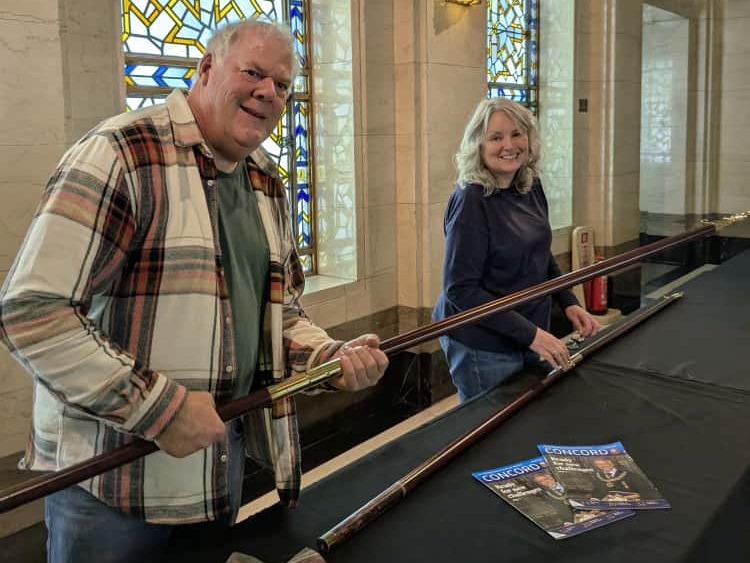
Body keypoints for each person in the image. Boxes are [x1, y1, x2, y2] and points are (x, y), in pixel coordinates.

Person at [0, 19, 388, 563]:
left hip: (214, 475)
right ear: (206, 69)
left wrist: (327, 358)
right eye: (253, 73)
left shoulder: (266, 181)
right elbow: (32, 313)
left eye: (282, 84)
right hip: (114, 487)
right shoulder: (121, 153)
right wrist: (156, 408)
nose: (268, 92)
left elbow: (277, 315)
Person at [433, 97, 600, 402]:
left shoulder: (530, 185)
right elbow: (460, 289)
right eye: (496, 137)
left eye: (516, 134)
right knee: (495, 425)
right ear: (478, 145)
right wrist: (531, 335)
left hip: (528, 330)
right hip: (484, 343)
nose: (508, 145)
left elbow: (540, 254)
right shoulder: (471, 200)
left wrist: (568, 301)